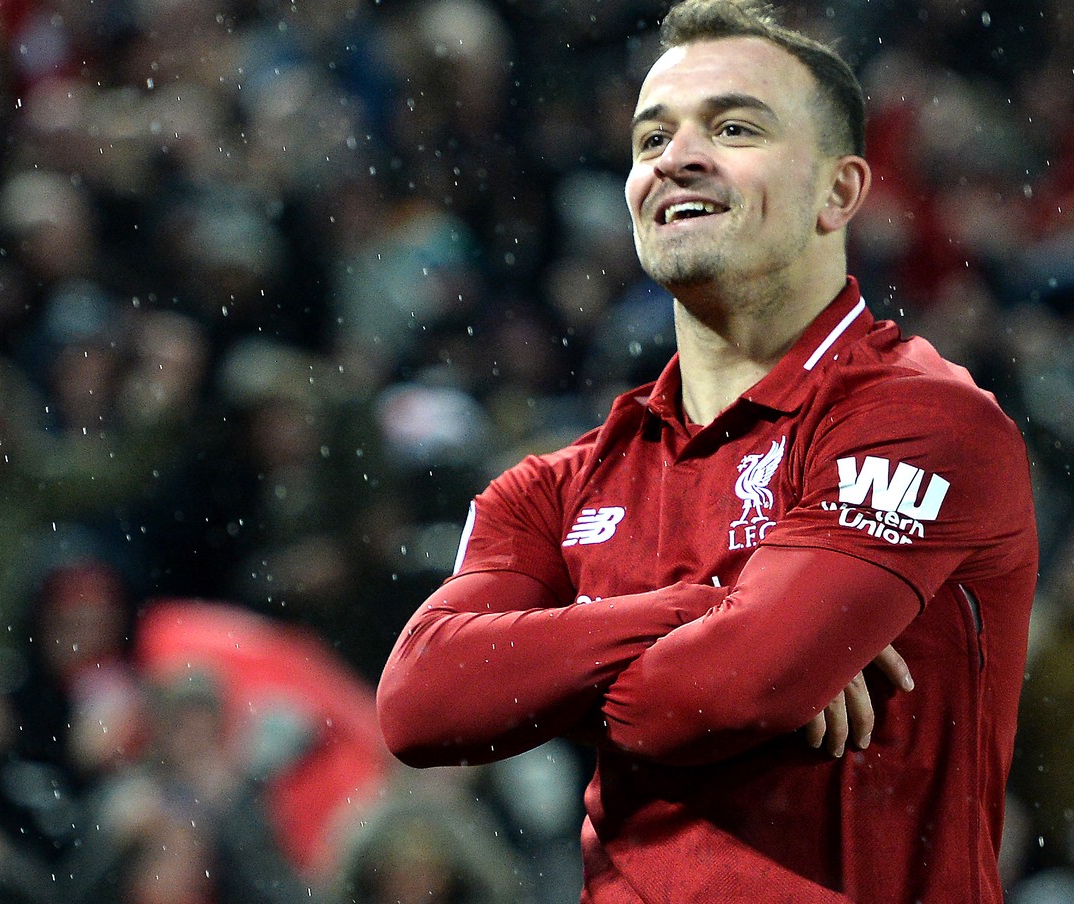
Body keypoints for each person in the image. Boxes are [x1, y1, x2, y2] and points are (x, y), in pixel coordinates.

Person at [376, 1, 1038, 901]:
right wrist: (714, 608)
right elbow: (423, 701)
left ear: (839, 192)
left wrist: (569, 670)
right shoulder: (553, 487)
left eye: (732, 127)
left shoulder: (924, 420)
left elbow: (726, 692)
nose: (675, 159)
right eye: (651, 139)